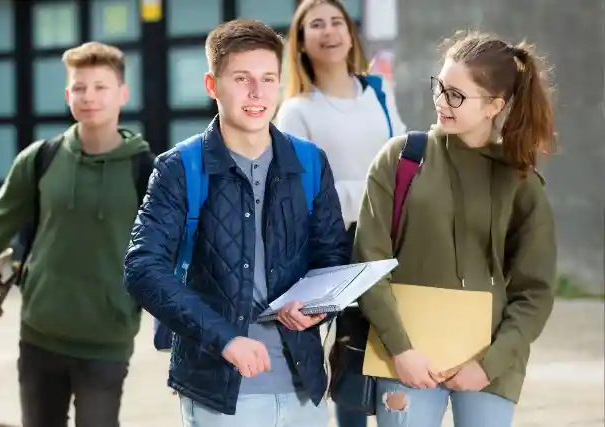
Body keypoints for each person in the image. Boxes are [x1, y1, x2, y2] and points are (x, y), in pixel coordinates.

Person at [123, 19, 350, 427]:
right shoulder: (180, 167)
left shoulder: (311, 162)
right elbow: (143, 268)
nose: (256, 92)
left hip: (304, 388)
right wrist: (225, 339)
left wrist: (318, 308)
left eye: (268, 79)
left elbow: (332, 255)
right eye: (241, 78)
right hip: (220, 392)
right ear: (213, 85)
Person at [355, 30, 557, 427]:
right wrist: (401, 350)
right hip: (404, 359)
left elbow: (534, 292)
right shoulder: (400, 160)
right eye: (440, 87)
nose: (441, 102)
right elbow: (368, 261)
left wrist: (491, 364)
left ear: (494, 106)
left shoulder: (520, 182)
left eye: (457, 96)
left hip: (488, 366)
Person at [0, 42, 154, 427]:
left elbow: (175, 254)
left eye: (100, 87)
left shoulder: (147, 171)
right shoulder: (40, 158)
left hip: (107, 339)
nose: (89, 97)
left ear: (122, 94)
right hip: (40, 333)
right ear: (68, 95)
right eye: (79, 87)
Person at [276, 1, 406, 426]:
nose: (329, 31)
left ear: (351, 34)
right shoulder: (297, 110)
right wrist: (374, 192)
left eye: (337, 22)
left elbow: (404, 157)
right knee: (351, 356)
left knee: (397, 348)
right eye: (316, 25)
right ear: (300, 42)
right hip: (341, 246)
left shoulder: (378, 93)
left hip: (393, 237)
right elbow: (301, 191)